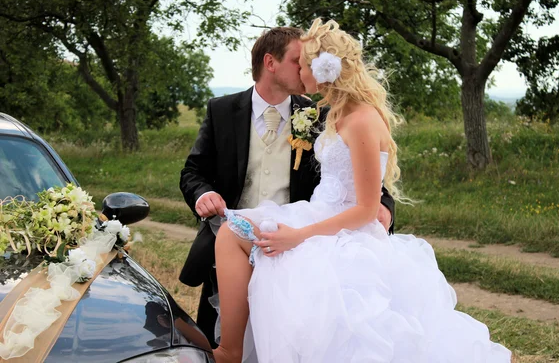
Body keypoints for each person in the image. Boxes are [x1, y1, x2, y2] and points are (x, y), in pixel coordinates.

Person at [212, 18, 512, 363]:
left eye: (302, 63)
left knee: (308, 298)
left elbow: (367, 209)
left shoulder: (363, 120)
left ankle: (231, 353)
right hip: (318, 212)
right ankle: (229, 350)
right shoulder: (333, 112)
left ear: (322, 68)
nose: (298, 71)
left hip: (344, 231)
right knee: (234, 231)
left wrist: (300, 236)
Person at [178, 26, 395, 348]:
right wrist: (203, 193)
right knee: (223, 337)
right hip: (237, 253)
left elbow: (364, 179)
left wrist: (385, 209)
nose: (303, 68)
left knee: (291, 342)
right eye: (297, 60)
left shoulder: (323, 114)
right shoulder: (221, 110)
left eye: (306, 62)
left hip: (300, 249)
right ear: (270, 63)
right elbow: (193, 171)